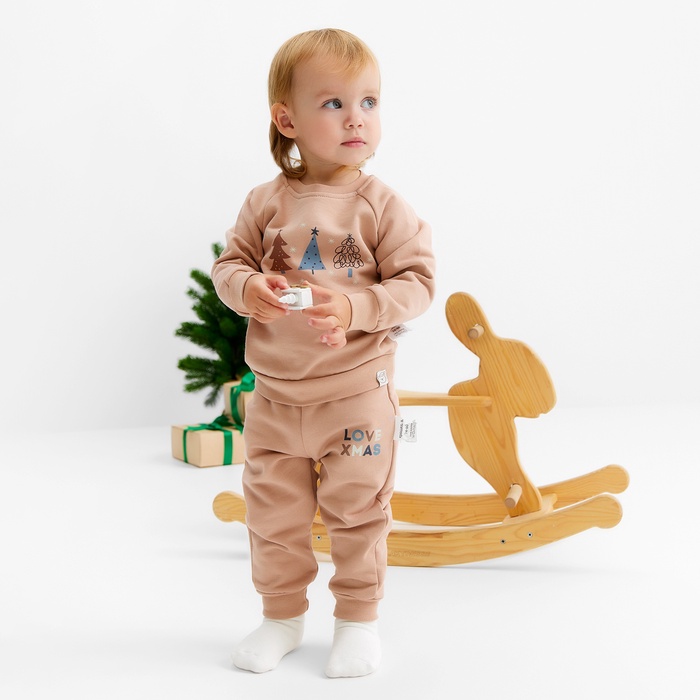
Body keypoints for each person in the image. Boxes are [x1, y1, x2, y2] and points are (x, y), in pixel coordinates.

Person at [212, 28, 436, 678]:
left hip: (356, 399)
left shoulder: (380, 206)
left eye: (369, 101)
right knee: (272, 516)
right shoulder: (265, 202)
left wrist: (355, 309)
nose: (356, 118)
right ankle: (280, 618)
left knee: (359, 512)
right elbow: (229, 265)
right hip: (276, 401)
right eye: (334, 103)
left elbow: (417, 283)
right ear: (287, 120)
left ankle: (357, 622)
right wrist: (248, 288)